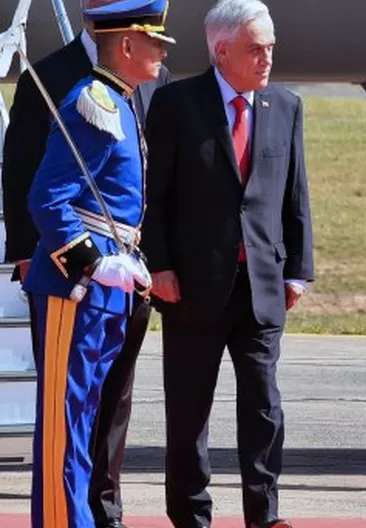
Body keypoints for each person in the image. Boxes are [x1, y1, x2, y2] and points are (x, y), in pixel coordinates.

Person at [140, 0, 314, 526]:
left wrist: (298, 269)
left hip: (262, 284)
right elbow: (156, 197)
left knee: (264, 406)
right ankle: (192, 514)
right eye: (255, 49)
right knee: (190, 409)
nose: (267, 58)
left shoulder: (285, 105)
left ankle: (264, 514)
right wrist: (161, 267)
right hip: (192, 286)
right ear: (221, 52)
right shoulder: (175, 105)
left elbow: (294, 195)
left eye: (270, 48)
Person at [1, 0, 171, 524]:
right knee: (65, 425)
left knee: (88, 417)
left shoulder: (119, 100)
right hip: (77, 290)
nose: (163, 52)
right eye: (154, 41)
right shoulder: (91, 102)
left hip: (108, 292)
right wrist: (94, 265)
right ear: (125, 45)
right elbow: (47, 199)